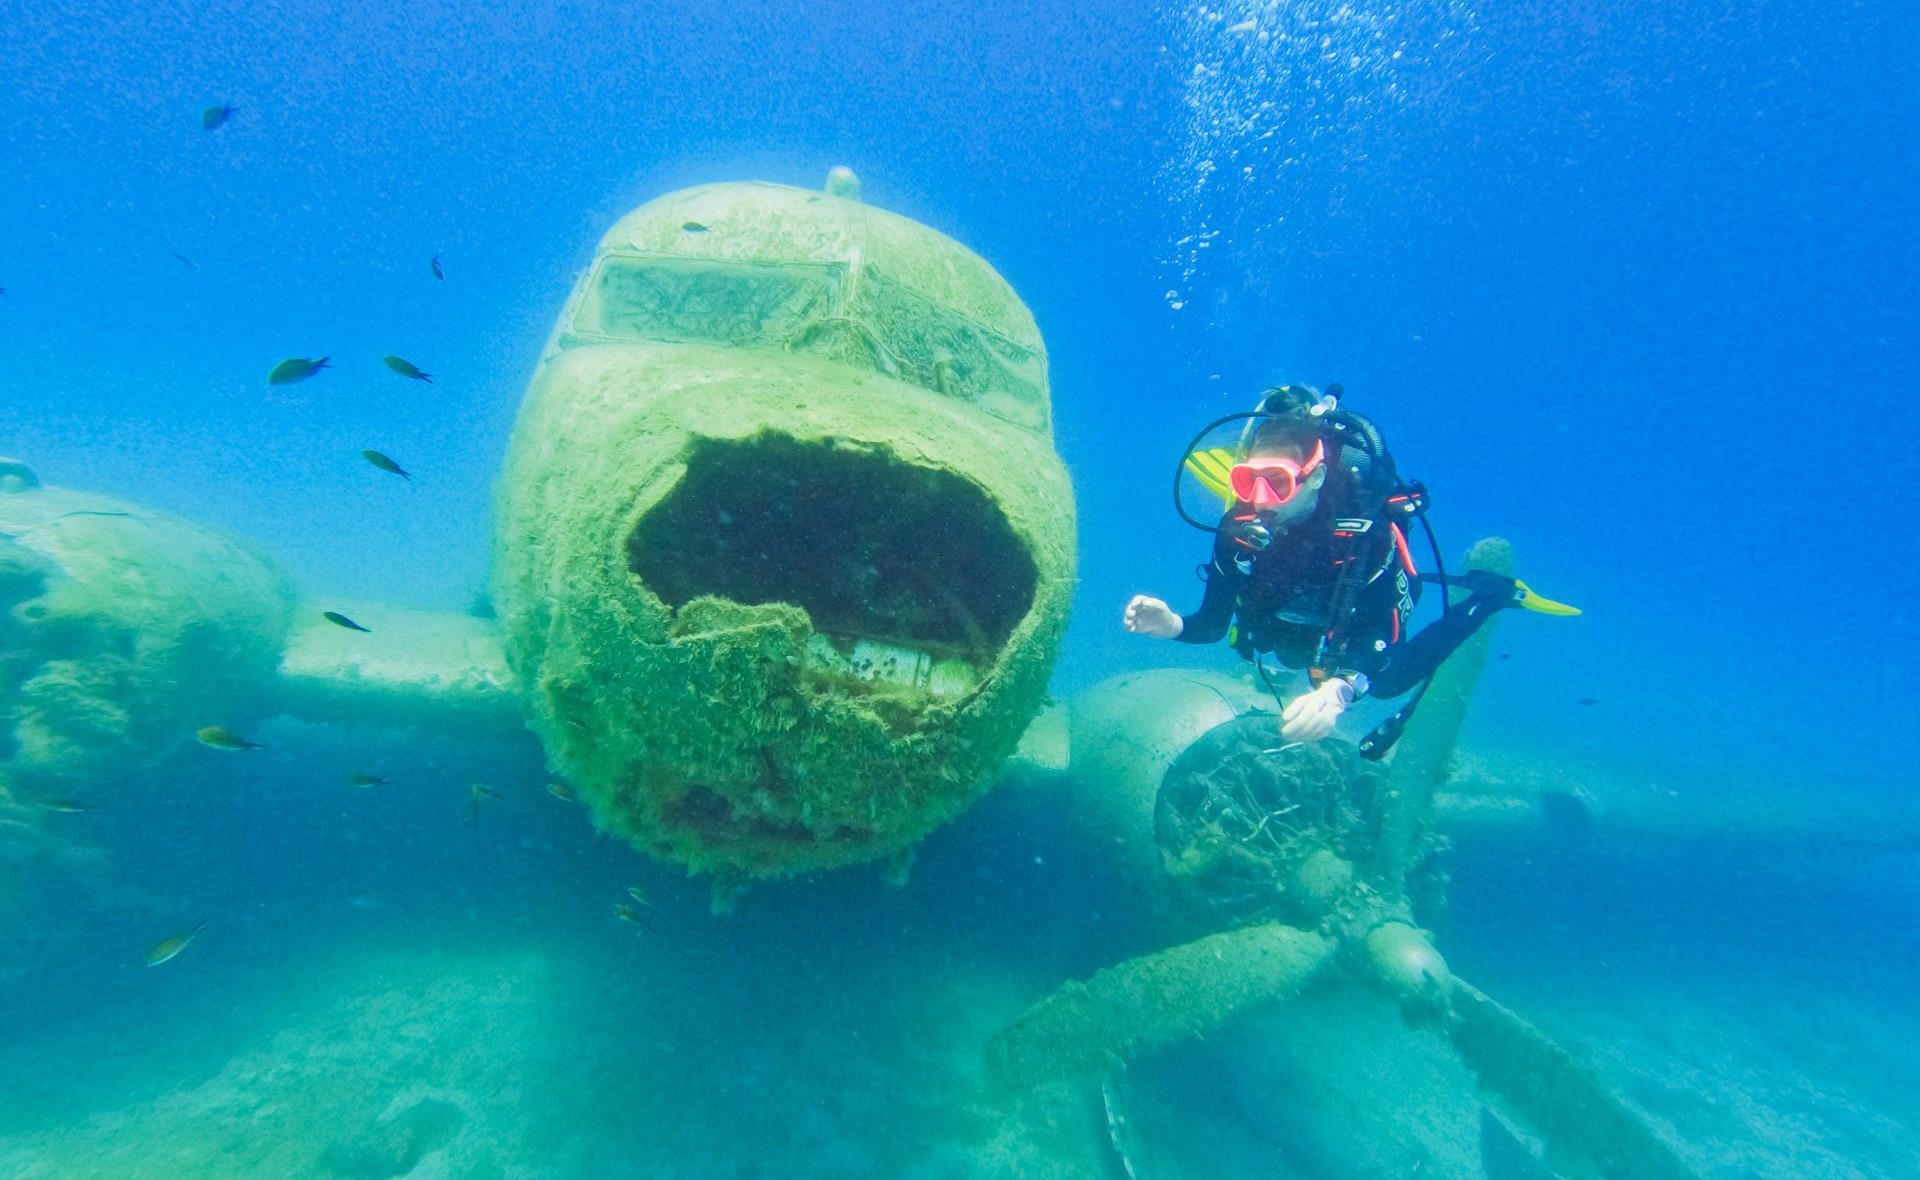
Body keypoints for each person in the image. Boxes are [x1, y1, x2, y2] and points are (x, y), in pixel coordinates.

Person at [1124, 385, 1574, 752]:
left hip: (1360, 611)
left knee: (1388, 681)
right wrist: (1173, 625)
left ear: (1315, 475)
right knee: (1285, 653)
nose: (1259, 499)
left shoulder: (1364, 534)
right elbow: (1212, 624)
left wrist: (1339, 690)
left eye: (1277, 482)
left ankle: (1491, 595)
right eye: (1247, 481)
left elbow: (1381, 639)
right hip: (1290, 620)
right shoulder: (1237, 529)